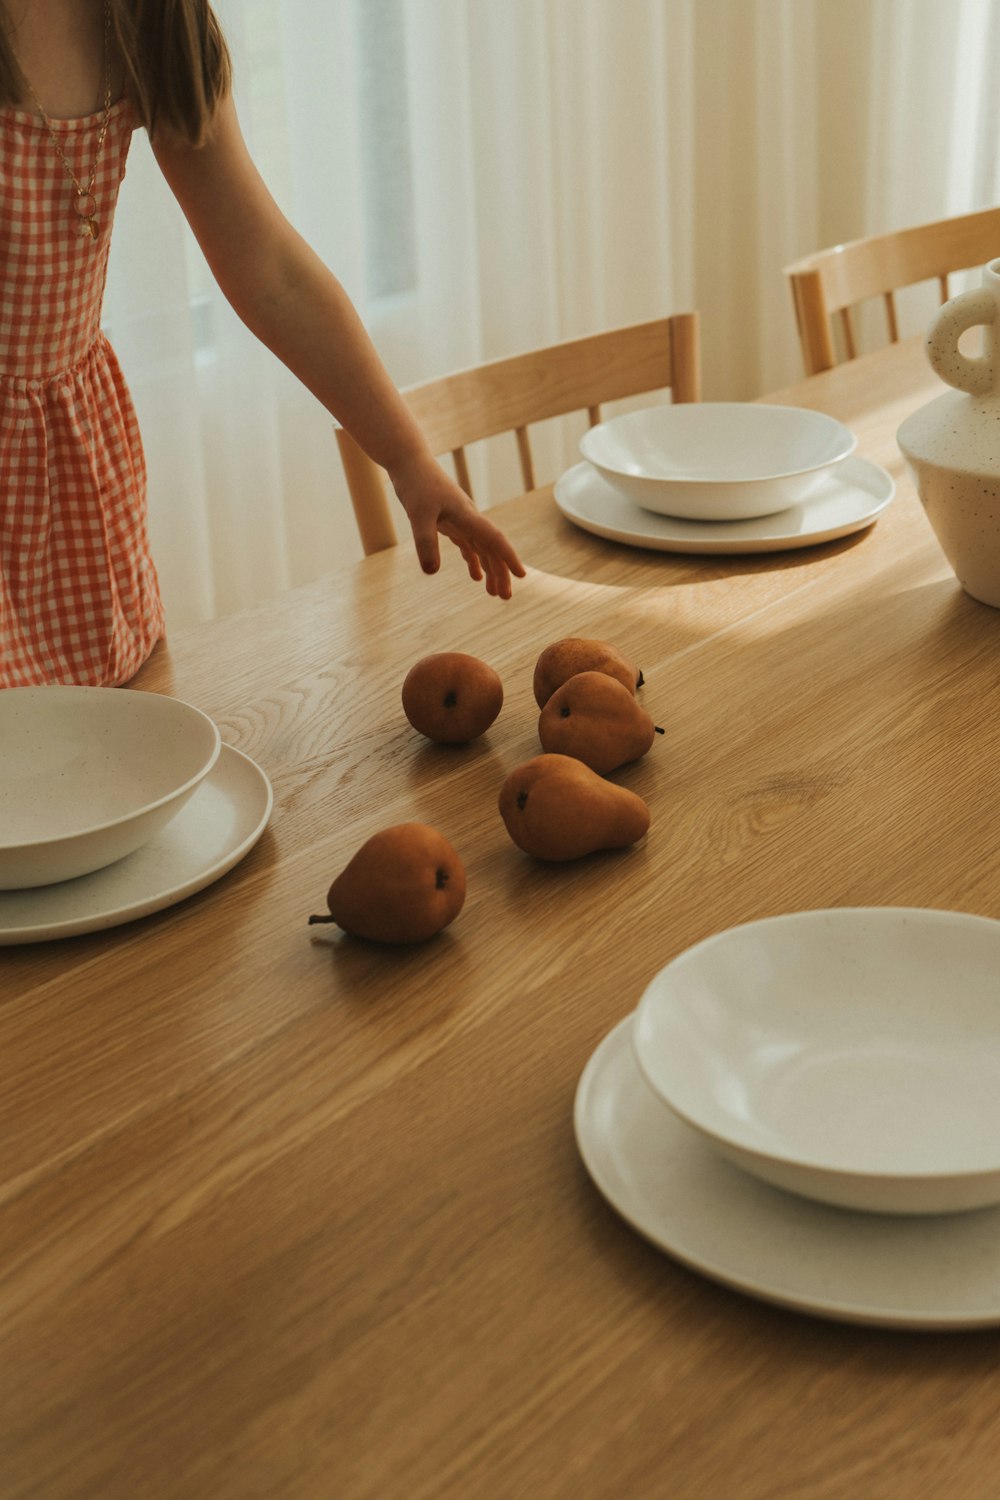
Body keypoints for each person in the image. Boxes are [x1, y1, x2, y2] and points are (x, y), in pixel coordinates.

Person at [0, 0, 525, 689]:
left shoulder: (152, 14)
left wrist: (406, 456)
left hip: (68, 491)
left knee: (112, 758)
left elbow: (270, 271)